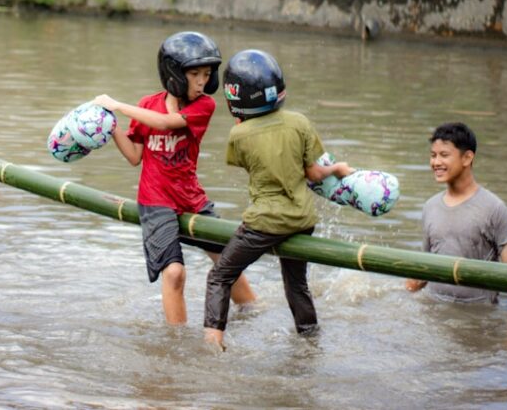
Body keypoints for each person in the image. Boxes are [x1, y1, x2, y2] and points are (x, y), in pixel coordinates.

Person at [94, 31, 257, 325]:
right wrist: (111, 125)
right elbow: (134, 156)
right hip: (155, 200)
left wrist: (117, 104)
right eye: (194, 74)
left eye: (206, 74)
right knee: (174, 273)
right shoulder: (147, 105)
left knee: (226, 261)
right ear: (174, 74)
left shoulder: (203, 106)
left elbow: (167, 123)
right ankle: (176, 341)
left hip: (191, 198)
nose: (201, 82)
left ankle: (253, 312)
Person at [203, 49, 353, 349]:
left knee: (219, 277)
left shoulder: (239, 136)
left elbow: (247, 163)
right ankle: (310, 342)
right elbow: (313, 173)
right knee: (297, 284)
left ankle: (212, 346)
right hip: (303, 220)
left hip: (265, 223)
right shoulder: (300, 122)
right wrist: (336, 168)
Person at [405, 122, 507, 317]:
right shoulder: (430, 206)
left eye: (444, 155)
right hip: (433, 312)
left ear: (467, 157)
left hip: (476, 316)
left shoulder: (494, 209)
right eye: (433, 155)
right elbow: (426, 264)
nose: (436, 162)